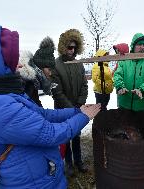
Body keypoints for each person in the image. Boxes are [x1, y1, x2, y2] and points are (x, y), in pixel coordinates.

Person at [0, 21, 101, 189]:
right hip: (33, 182)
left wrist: (77, 110)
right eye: (10, 61)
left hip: (38, 175)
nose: (20, 65)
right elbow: (51, 134)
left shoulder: (1, 96)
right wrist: (84, 117)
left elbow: (43, 114)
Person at [50, 29, 89, 176]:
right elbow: (57, 92)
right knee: (66, 137)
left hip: (77, 106)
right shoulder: (56, 65)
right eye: (69, 47)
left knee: (77, 135)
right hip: (63, 109)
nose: (71, 50)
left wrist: (80, 103)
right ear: (62, 47)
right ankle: (68, 164)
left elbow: (85, 85)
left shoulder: (78, 63)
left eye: (74, 47)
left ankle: (79, 162)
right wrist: (70, 108)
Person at [113, 33, 144, 112]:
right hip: (124, 103)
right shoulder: (124, 60)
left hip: (142, 104)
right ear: (133, 46)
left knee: (141, 124)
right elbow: (117, 74)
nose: (142, 47)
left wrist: (142, 90)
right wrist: (120, 86)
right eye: (139, 44)